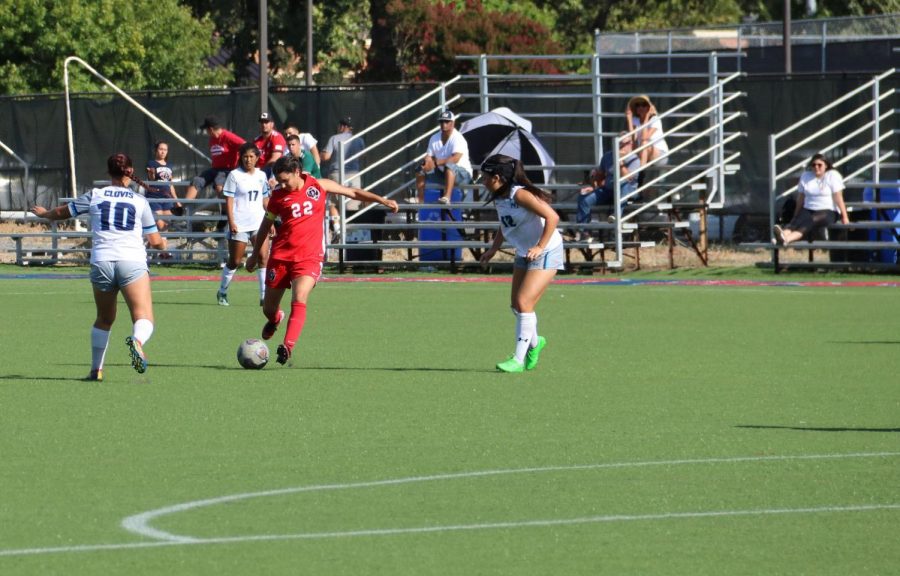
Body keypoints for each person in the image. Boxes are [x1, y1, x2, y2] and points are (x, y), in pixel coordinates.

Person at [245, 156, 398, 366]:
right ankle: (275, 319)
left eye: (285, 180)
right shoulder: (278, 196)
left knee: (299, 297)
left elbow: (353, 192)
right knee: (268, 309)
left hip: (309, 257)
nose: (281, 185)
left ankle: (287, 346)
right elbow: (265, 225)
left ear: (297, 172)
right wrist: (254, 255)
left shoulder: (318, 185)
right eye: (279, 181)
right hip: (281, 257)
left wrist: (382, 200)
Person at [30, 153, 165, 380]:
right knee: (143, 317)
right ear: (130, 171)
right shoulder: (139, 201)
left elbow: (63, 212)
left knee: (104, 318)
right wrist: (163, 242)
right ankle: (137, 340)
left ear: (108, 172)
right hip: (131, 261)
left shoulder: (95, 195)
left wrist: (45, 215)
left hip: (102, 261)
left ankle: (96, 370)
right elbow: (155, 241)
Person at [478, 154, 563, 373]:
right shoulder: (499, 196)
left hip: (546, 250)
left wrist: (540, 247)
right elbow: (504, 224)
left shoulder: (520, 195)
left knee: (524, 303)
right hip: (525, 251)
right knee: (516, 306)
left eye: (485, 177)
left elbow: (552, 218)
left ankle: (518, 359)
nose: (482, 181)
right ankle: (536, 343)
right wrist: (494, 248)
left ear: (497, 177)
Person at [216, 142, 271, 307]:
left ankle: (263, 297)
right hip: (239, 224)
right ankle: (223, 291)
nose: (248, 160)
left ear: (257, 157)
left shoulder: (261, 176)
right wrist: (231, 221)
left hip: (259, 223)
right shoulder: (234, 175)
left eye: (251, 156)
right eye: (245, 156)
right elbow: (229, 200)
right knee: (235, 261)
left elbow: (266, 200)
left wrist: (271, 220)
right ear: (241, 158)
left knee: (263, 258)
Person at [774, 153, 849, 246]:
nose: (816, 167)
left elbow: (838, 197)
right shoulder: (806, 176)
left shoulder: (832, 175)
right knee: (796, 222)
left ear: (826, 165)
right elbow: (801, 198)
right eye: (813, 165)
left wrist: (844, 216)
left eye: (819, 165)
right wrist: (795, 215)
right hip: (808, 209)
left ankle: (787, 239)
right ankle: (780, 237)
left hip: (828, 211)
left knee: (810, 221)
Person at [185, 116, 245, 230]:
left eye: (207, 130)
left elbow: (244, 144)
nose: (207, 133)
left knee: (219, 183)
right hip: (215, 169)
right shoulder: (212, 139)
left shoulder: (227, 136)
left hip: (227, 169)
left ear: (211, 129)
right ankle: (184, 207)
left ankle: (225, 213)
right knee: (197, 180)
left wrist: (240, 161)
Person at [576, 133, 640, 242]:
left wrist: (620, 161)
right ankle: (584, 233)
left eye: (623, 144)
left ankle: (616, 215)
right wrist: (593, 185)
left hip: (627, 190)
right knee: (584, 199)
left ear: (630, 144)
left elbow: (629, 178)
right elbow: (600, 177)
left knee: (623, 185)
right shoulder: (607, 156)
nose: (620, 146)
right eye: (618, 144)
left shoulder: (634, 159)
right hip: (608, 189)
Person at [416, 110, 473, 205]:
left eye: (447, 121)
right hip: (443, 174)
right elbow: (428, 156)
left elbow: (455, 159)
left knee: (449, 165)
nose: (444, 124)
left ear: (453, 123)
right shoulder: (434, 137)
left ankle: (447, 197)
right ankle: (420, 200)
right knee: (419, 169)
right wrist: (427, 163)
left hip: (463, 175)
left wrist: (435, 163)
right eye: (441, 121)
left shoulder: (458, 138)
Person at [144, 140, 182, 256]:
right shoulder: (151, 163)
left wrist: (176, 200)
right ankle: (162, 251)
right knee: (159, 225)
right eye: (160, 149)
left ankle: (161, 252)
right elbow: (151, 179)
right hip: (154, 197)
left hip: (167, 198)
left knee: (165, 226)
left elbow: (170, 184)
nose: (163, 152)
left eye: (165, 150)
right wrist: (151, 173)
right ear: (156, 150)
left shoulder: (169, 166)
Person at [625, 94, 669, 169]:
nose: (640, 107)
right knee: (626, 147)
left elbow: (644, 138)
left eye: (644, 105)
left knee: (644, 143)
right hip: (643, 154)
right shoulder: (635, 120)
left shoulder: (655, 119)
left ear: (649, 107)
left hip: (660, 155)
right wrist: (629, 119)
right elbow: (634, 141)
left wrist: (647, 117)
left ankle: (640, 173)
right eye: (638, 105)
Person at [254, 112, 287, 183]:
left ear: (272, 124)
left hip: (274, 171)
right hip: (258, 171)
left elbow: (275, 158)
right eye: (262, 122)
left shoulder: (277, 137)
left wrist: (260, 171)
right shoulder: (256, 140)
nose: (264, 125)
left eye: (266, 122)